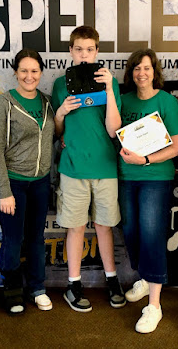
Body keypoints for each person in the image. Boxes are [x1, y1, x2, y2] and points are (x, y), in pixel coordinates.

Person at [52, 25, 125, 312]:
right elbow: (58, 132)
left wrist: (108, 88)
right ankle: (73, 284)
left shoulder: (111, 82)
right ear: (71, 51)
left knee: (105, 227)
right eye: (79, 49)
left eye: (90, 49)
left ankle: (112, 280)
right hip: (73, 169)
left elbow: (113, 130)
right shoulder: (60, 83)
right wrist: (61, 113)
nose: (84, 55)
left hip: (105, 167)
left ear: (97, 51)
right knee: (76, 228)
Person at [118, 49, 178, 333]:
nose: (141, 73)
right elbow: (109, 130)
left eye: (146, 68)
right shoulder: (123, 100)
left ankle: (154, 305)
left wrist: (145, 160)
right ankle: (145, 278)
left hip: (155, 177)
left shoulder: (167, 101)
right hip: (125, 176)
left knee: (152, 233)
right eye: (136, 69)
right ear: (131, 74)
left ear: (154, 71)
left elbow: (176, 146)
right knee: (130, 230)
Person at [0, 49, 55, 315]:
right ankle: (12, 288)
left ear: (41, 72)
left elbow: (54, 135)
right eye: (24, 70)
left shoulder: (47, 102)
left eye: (34, 71)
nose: (29, 76)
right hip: (13, 183)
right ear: (15, 72)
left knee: (36, 238)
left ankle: (37, 287)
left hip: (40, 182)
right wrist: (4, 191)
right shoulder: (5, 103)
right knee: (14, 239)